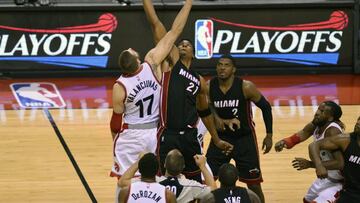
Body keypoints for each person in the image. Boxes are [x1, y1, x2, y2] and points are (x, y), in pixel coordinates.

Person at [142, 0, 233, 183]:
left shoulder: (199, 80)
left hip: (190, 136)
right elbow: (157, 25)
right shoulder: (171, 63)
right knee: (164, 181)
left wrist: (215, 139)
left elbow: (205, 112)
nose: (182, 46)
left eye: (187, 45)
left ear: (193, 53)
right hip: (169, 134)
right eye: (180, 44)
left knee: (195, 182)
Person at [110, 0, 193, 198]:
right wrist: (188, 3)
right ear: (137, 60)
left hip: (130, 134)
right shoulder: (152, 63)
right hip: (153, 133)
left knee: (124, 183)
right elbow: (175, 30)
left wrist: (115, 140)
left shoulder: (119, 86)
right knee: (152, 179)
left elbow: (115, 122)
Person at [206, 54, 272, 203]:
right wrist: (218, 119)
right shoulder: (210, 86)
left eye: (226, 65)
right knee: (208, 179)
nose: (222, 67)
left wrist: (269, 135)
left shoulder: (245, 86)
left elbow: (266, 107)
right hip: (221, 139)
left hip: (244, 139)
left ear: (234, 69)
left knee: (254, 185)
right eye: (219, 64)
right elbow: (207, 105)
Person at [275, 101, 345, 203]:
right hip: (326, 177)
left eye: (322, 111)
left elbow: (340, 163)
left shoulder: (332, 132)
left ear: (330, 118)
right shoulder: (316, 124)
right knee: (307, 200)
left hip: (340, 182)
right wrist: (284, 142)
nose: (317, 113)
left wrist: (310, 164)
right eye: (318, 109)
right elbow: (303, 133)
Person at [118, 149, 216, 203]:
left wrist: (141, 160)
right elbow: (213, 190)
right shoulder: (190, 186)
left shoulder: (154, 181)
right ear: (183, 167)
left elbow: (122, 181)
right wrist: (202, 166)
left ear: (164, 165)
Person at [309, 116, 360, 203]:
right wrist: (319, 165)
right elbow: (314, 145)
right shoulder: (346, 140)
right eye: (358, 121)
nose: (358, 124)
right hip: (349, 192)